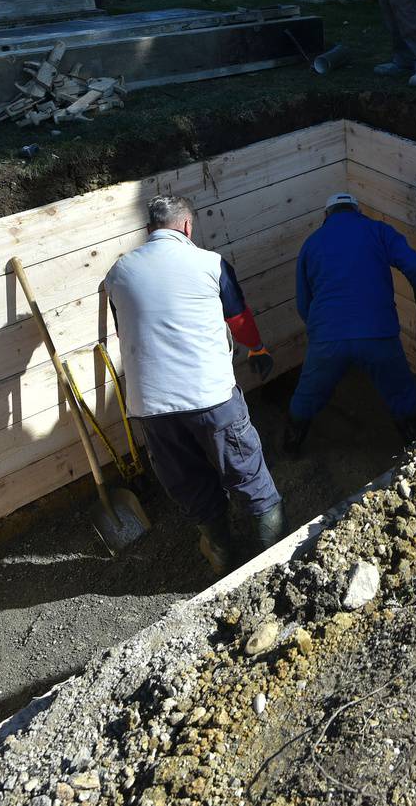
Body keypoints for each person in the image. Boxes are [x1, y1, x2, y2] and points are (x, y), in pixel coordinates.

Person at [103, 195, 283, 568]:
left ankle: (221, 554)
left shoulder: (117, 274)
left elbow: (125, 332)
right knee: (245, 470)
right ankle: (274, 553)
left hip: (151, 407)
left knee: (188, 480)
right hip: (212, 397)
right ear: (187, 227)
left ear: (149, 230)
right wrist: (258, 348)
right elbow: (238, 320)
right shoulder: (210, 263)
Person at [283, 192, 416, 453]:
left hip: (328, 338)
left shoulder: (312, 243)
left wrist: (322, 329)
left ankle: (291, 446)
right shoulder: (377, 230)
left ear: (326, 216)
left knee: (308, 393)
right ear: (357, 210)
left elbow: (303, 303)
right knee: (401, 393)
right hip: (378, 332)